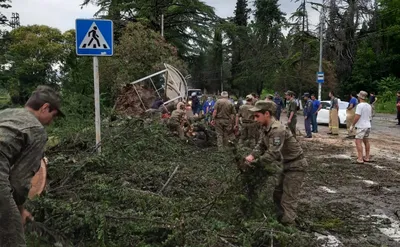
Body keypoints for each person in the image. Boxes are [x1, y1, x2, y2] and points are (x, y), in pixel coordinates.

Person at [0, 85, 64, 247]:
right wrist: (19, 210)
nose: (51, 122)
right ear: (45, 108)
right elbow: (19, 181)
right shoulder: (36, 130)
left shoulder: (6, 114)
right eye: (53, 116)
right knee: (12, 239)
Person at [242, 101, 308, 226]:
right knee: (277, 194)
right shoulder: (265, 128)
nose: (255, 119)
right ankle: (279, 220)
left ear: (266, 114)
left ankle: (289, 226)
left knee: (288, 199)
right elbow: (261, 145)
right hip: (285, 165)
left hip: (295, 166)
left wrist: (256, 164)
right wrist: (251, 156)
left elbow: (273, 153)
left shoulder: (277, 129)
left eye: (257, 116)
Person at [350, 91, 372, 164]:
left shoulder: (359, 106)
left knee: (358, 141)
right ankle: (367, 157)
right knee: (366, 141)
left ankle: (360, 158)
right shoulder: (369, 106)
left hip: (361, 126)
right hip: (368, 125)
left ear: (359, 97)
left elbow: (357, 116)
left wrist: (352, 125)